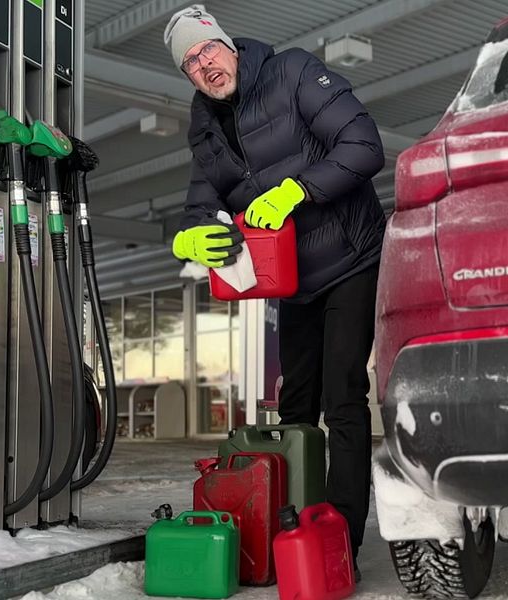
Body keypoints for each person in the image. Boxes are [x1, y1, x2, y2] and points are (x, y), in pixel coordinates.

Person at [164, 5, 385, 579]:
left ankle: (340, 546)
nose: (205, 64)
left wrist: (296, 189)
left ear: (225, 43)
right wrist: (189, 235)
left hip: (353, 257)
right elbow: (201, 200)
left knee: (341, 396)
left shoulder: (290, 72)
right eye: (191, 62)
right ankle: (288, 532)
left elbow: (363, 146)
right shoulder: (205, 123)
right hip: (293, 281)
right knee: (293, 408)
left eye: (207, 49)